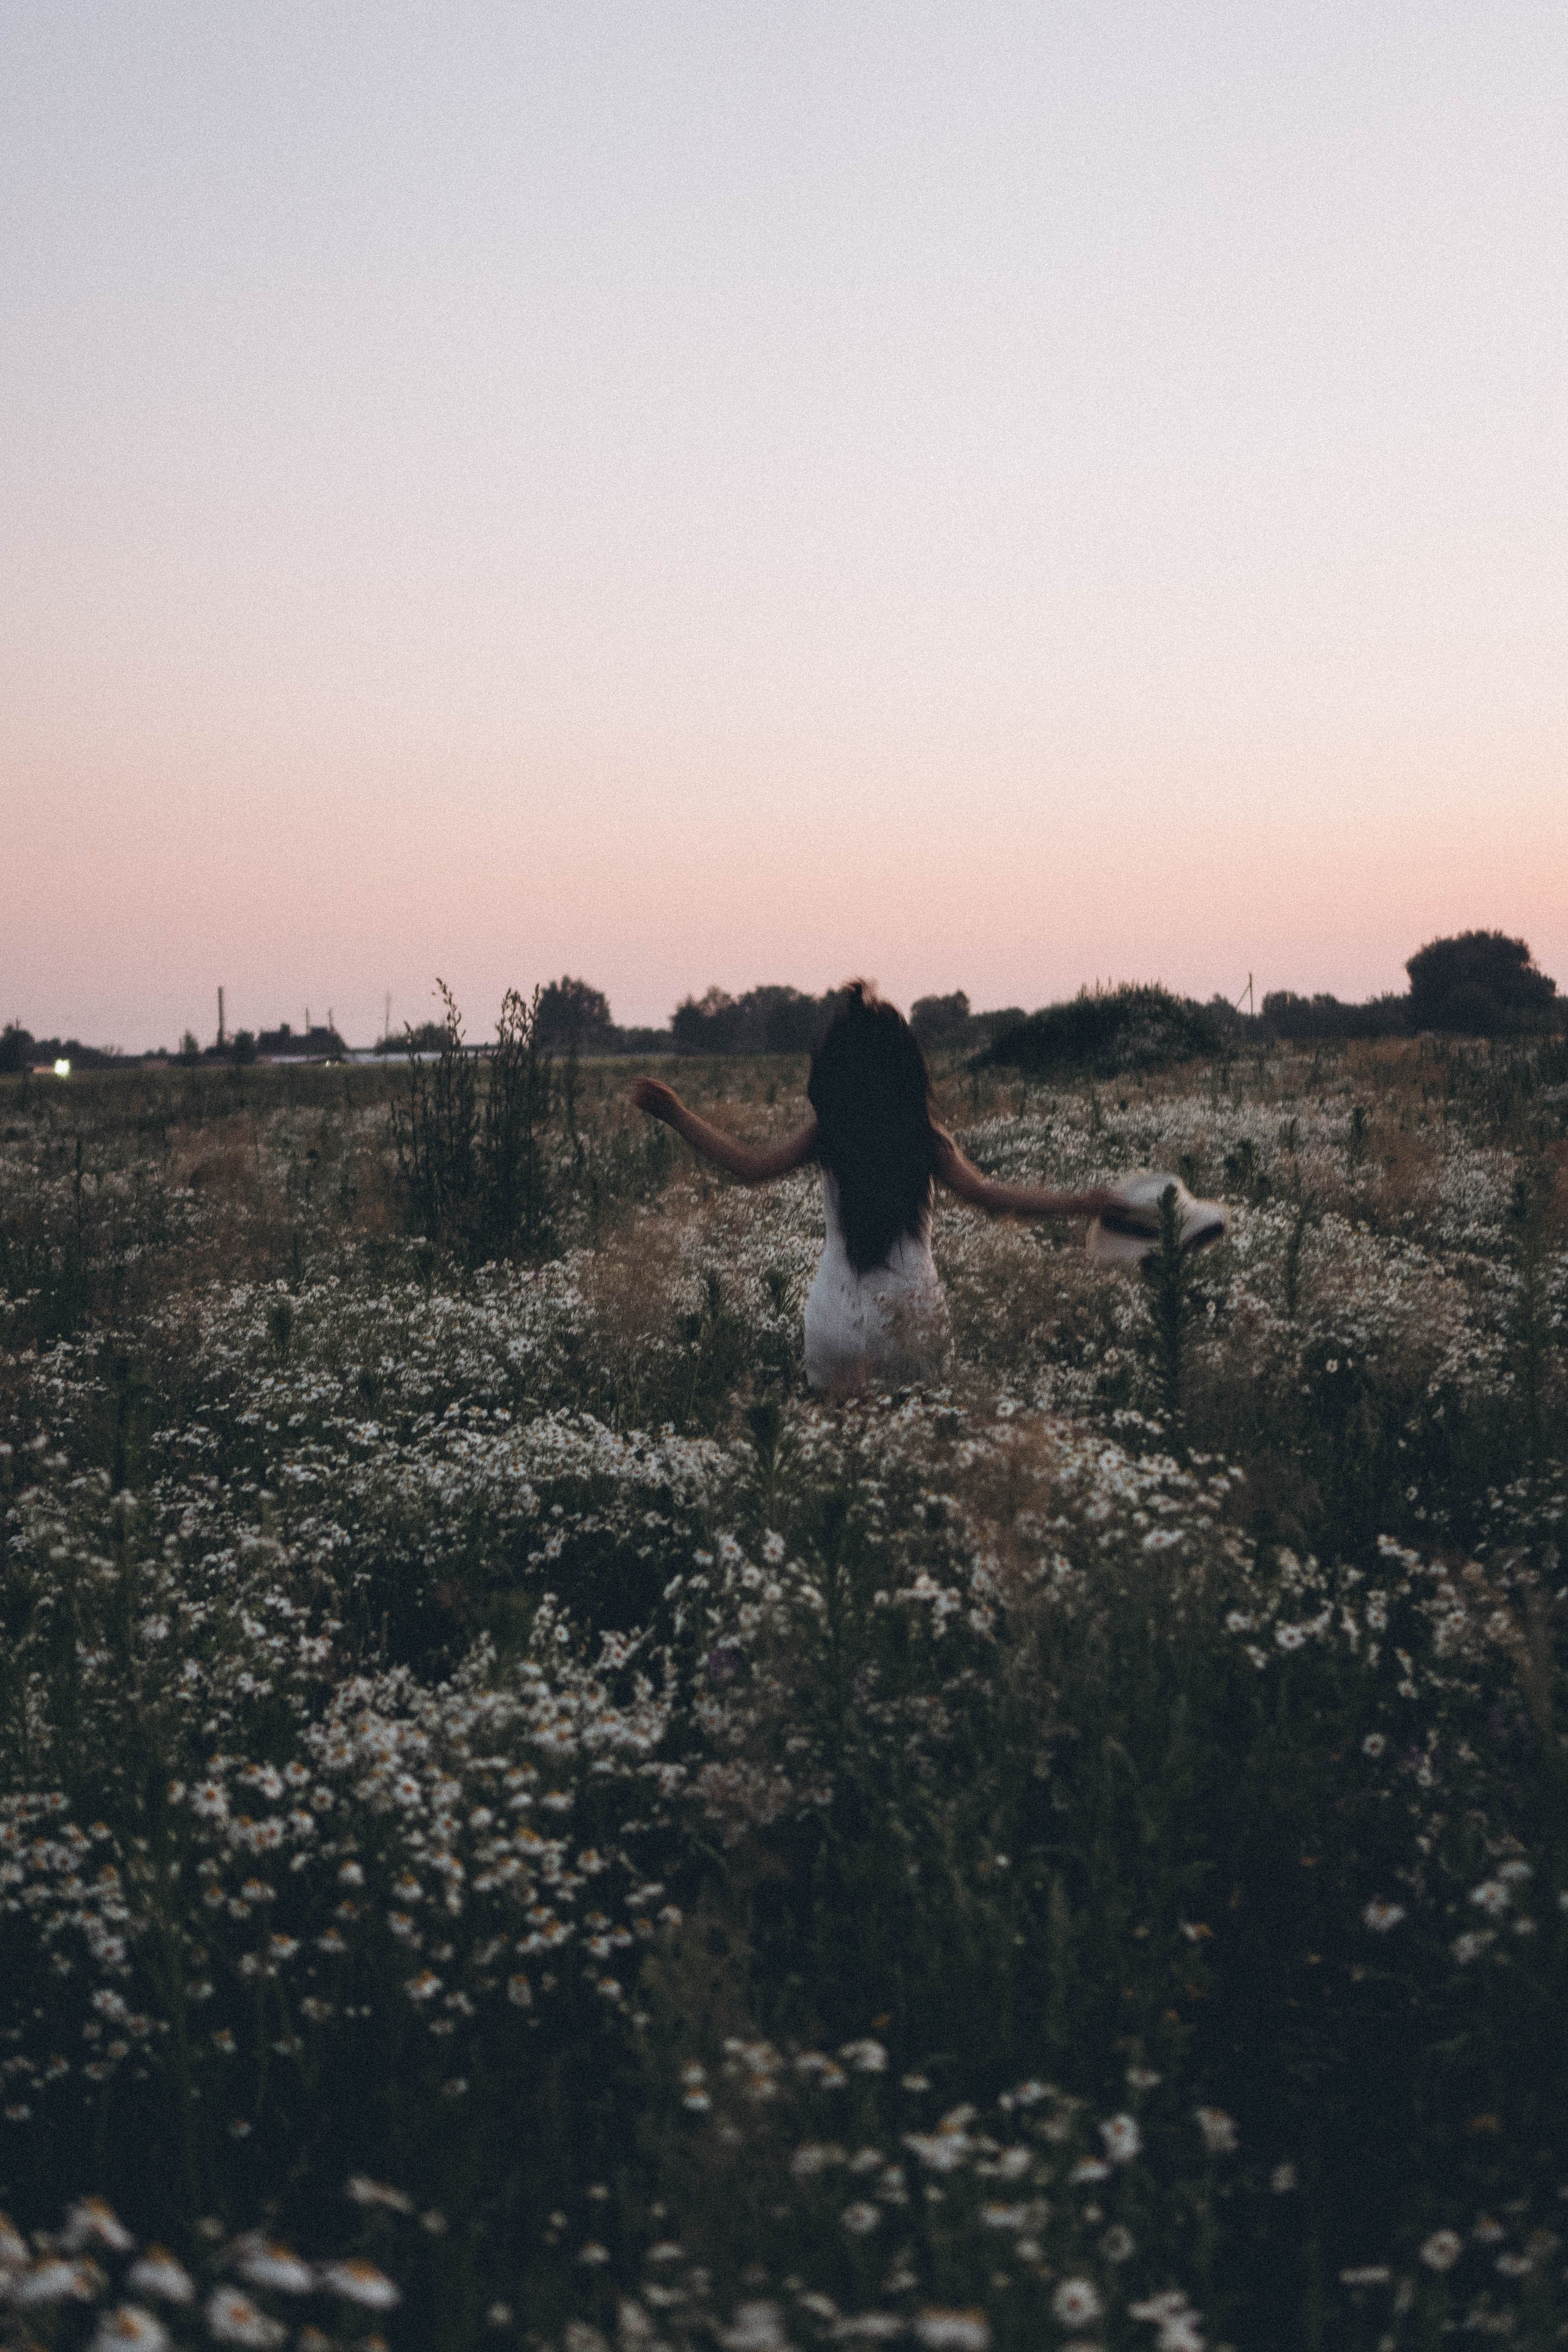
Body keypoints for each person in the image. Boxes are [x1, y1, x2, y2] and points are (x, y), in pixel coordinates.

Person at [631, 980, 1120, 1393]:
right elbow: (988, 1195)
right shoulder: (926, 1140)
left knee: (838, 1464)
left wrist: (677, 1114)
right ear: (906, 1068)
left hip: (835, 1321)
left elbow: (750, 1167)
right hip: (913, 1319)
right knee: (913, 1466)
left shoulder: (829, 1134)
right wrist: (1079, 1203)